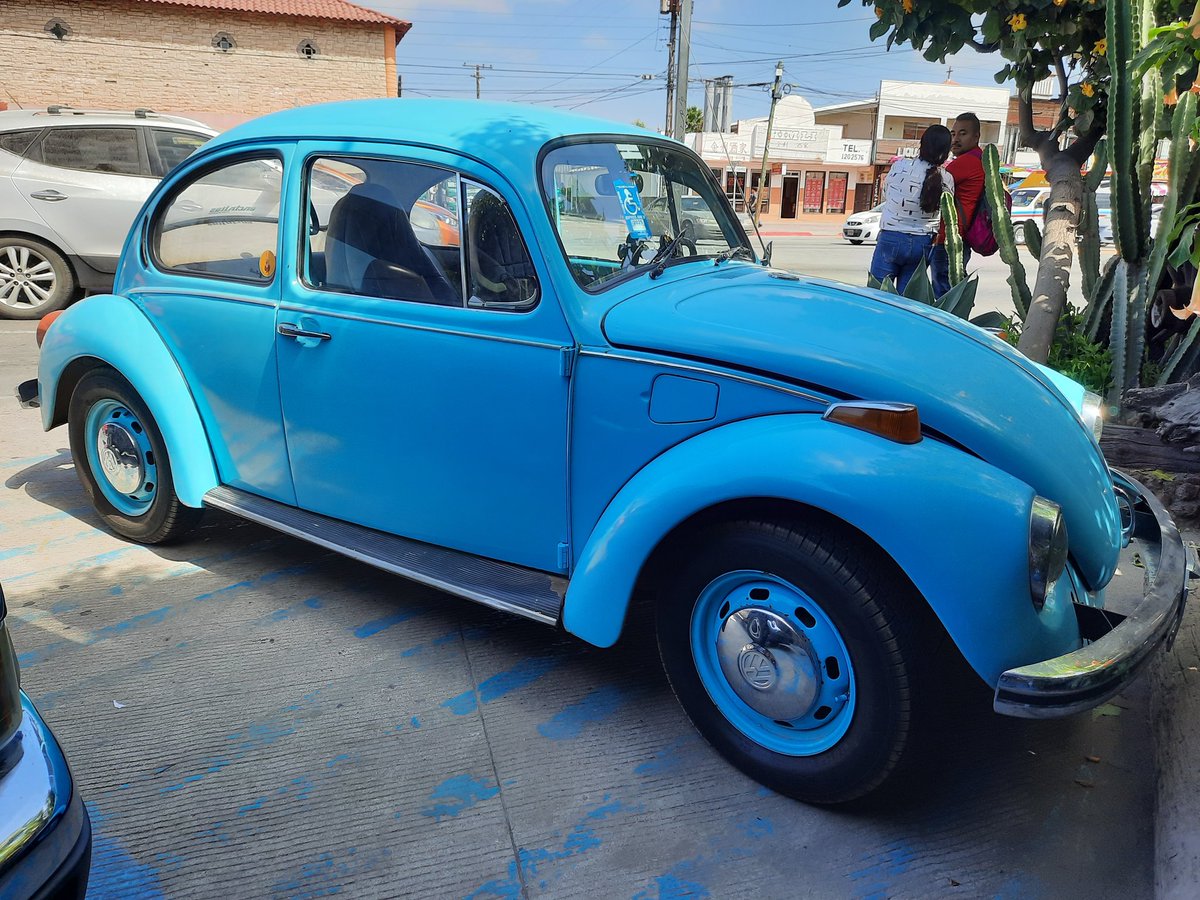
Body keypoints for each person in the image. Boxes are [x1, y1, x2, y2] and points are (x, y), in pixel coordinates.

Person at [868, 124, 953, 292]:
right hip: (923, 243)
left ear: (922, 144)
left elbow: (886, 194)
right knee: (907, 298)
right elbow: (946, 210)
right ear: (946, 151)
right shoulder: (946, 178)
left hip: (891, 237)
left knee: (877, 295)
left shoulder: (899, 166)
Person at [930, 112, 986, 297]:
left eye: (963, 133)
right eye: (953, 134)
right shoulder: (981, 159)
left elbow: (930, 186)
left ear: (976, 137)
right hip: (960, 239)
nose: (955, 139)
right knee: (954, 294)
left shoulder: (966, 162)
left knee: (944, 298)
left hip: (949, 240)